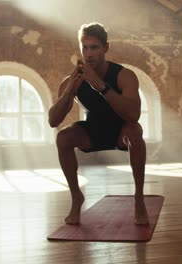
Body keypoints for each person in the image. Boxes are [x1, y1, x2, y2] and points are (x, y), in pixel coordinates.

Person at [48, 22, 149, 225]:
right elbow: (53, 121)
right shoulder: (72, 80)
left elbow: (134, 115)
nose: (89, 53)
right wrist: (70, 90)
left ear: (105, 48)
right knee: (63, 137)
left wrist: (100, 86)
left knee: (136, 131)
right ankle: (77, 197)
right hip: (93, 130)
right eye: (85, 47)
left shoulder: (124, 76)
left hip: (121, 129)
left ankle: (139, 198)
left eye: (94, 47)